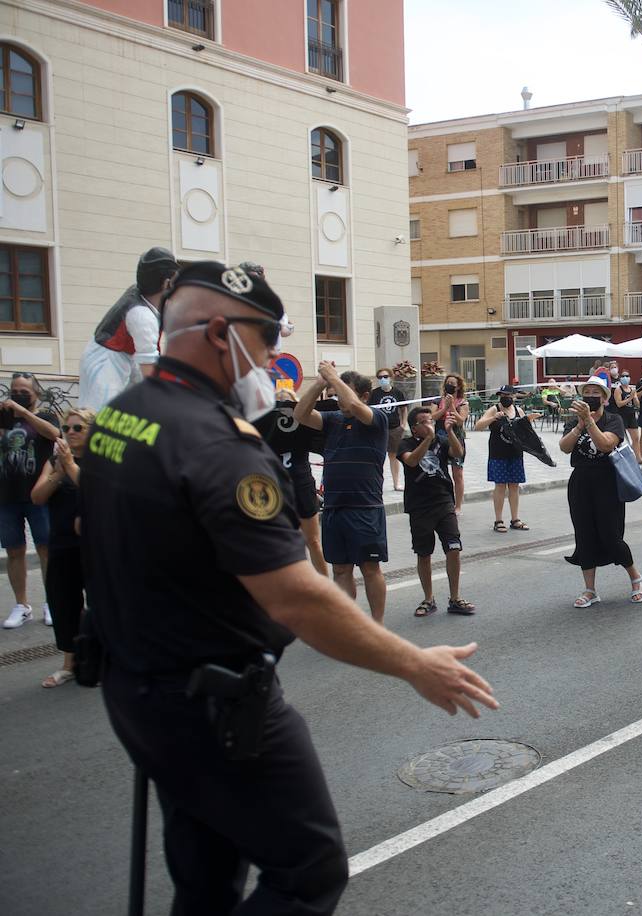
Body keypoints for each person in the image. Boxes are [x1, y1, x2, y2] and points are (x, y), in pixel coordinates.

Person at [81, 260, 497, 914]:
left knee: (207, 877)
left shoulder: (121, 416)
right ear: (220, 332)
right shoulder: (216, 444)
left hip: (140, 685)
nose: (271, 358)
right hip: (215, 701)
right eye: (266, 339)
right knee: (309, 868)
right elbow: (297, 597)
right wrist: (415, 663)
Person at [294, 366, 390, 622]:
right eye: (336, 395)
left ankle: (377, 625)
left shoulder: (376, 419)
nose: (340, 401)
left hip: (365, 508)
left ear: (365, 396)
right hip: (335, 508)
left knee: (370, 569)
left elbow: (357, 408)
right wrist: (319, 383)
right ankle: (350, 625)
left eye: (345, 394)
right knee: (340, 569)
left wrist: (335, 377)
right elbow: (301, 414)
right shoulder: (333, 420)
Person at [559, 377, 642, 607]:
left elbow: (606, 444)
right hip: (581, 481)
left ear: (605, 399)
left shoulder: (613, 419)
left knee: (611, 534)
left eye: (595, 393)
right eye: (586, 392)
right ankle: (590, 590)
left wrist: (590, 421)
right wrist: (580, 424)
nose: (590, 396)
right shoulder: (575, 421)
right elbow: (565, 447)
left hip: (607, 482)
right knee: (584, 534)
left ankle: (636, 578)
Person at [30, 407, 93, 687]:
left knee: (101, 605)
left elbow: (95, 491)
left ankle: (102, 660)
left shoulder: (100, 460)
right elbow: (37, 497)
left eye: (77, 428)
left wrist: (70, 466)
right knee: (63, 603)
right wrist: (57, 471)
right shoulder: (55, 460)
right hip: (62, 543)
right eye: (67, 428)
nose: (70, 433)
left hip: (94, 546)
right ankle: (69, 664)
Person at [77, 247, 180, 409]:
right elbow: (149, 370)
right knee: (99, 414)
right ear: (166, 283)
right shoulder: (141, 315)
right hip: (107, 362)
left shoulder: (141, 295)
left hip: (125, 357)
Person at [398, 406, 473, 616]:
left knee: (454, 548)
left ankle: (455, 597)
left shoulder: (441, 440)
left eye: (431, 420)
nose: (430, 424)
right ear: (414, 428)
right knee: (424, 553)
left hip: (443, 502)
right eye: (424, 421)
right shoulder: (406, 443)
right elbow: (411, 461)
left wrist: (449, 432)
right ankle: (428, 598)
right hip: (419, 506)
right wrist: (426, 440)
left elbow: (458, 453)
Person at [1, 373, 60, 629]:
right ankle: (22, 605)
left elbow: (55, 433)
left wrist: (23, 413)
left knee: (46, 549)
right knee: (14, 550)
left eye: (23, 390)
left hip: (38, 495)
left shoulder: (45, 415)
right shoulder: (4, 416)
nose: (18, 394)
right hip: (7, 495)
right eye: (14, 390)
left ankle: (52, 603)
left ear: (35, 393)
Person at [254, 389, 327, 575]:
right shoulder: (263, 425)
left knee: (313, 541)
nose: (282, 409)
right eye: (279, 403)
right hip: (274, 488)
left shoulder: (302, 423)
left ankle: (324, 587)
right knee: (286, 543)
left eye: (286, 403)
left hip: (301, 485)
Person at [474, 384, 539, 533]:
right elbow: (478, 426)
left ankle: (515, 519)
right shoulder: (494, 409)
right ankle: (498, 520)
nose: (505, 398)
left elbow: (526, 432)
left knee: (514, 485)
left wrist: (529, 420)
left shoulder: (518, 411)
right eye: (502, 396)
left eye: (508, 396)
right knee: (500, 485)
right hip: (498, 453)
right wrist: (492, 418)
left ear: (514, 397)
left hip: (515, 453)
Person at [433, 374, 470, 512]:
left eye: (452, 383)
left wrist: (452, 407)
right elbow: (433, 417)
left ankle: (458, 505)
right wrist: (444, 408)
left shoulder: (463, 402)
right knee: (439, 471)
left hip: (456, 437)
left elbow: (461, 421)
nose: (449, 385)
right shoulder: (437, 401)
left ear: (458, 386)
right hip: (440, 437)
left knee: (457, 473)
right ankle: (441, 501)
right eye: (448, 383)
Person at [368, 367, 405, 492]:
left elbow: (403, 408)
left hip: (394, 428)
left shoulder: (397, 393)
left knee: (393, 456)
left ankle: (396, 483)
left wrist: (403, 424)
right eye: (380, 377)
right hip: (379, 429)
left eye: (385, 377)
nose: (383, 379)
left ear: (390, 378)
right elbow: (369, 409)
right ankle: (377, 484)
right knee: (378, 456)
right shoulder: (374, 393)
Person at [612, 373, 640, 459]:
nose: (625, 378)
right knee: (621, 438)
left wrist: (634, 398)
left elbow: (638, 404)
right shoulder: (618, 390)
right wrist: (629, 398)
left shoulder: (631, 389)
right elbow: (619, 404)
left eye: (627, 376)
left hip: (631, 415)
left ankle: (638, 458)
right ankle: (621, 457)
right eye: (623, 376)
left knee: (636, 438)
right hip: (622, 415)